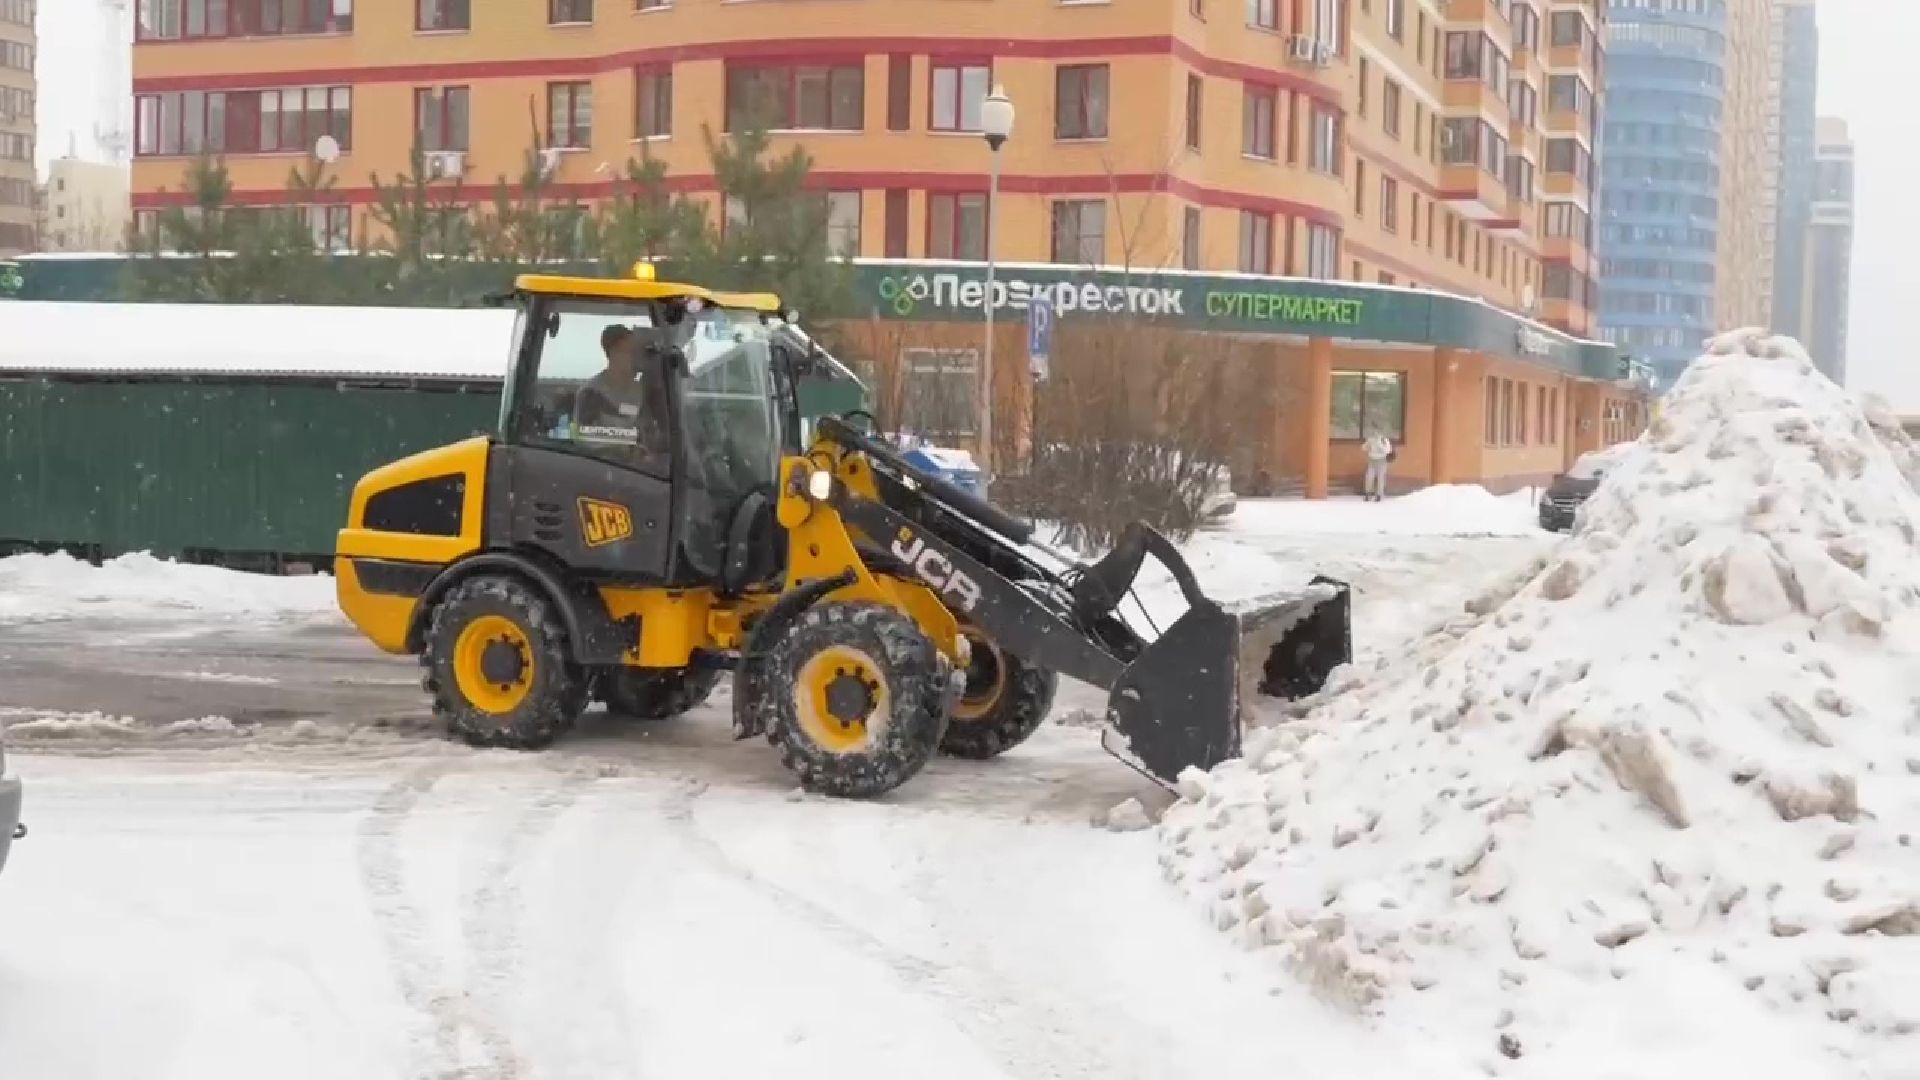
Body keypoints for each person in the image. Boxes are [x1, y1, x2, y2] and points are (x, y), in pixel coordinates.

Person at [575, 324, 670, 457]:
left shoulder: (644, 392)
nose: (636, 357)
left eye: (637, 352)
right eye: (630, 351)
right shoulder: (591, 393)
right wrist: (622, 446)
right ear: (614, 352)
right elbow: (583, 436)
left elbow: (654, 433)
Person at [1362, 429, 1393, 502]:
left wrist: (1380, 444)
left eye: (1378, 432)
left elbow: (1388, 451)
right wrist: (1367, 446)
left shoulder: (1384, 440)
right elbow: (1364, 447)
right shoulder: (1371, 439)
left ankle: (1379, 495)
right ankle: (1368, 493)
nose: (1376, 433)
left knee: (1380, 478)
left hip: (1381, 460)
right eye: (1375, 432)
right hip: (1372, 460)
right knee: (1369, 477)